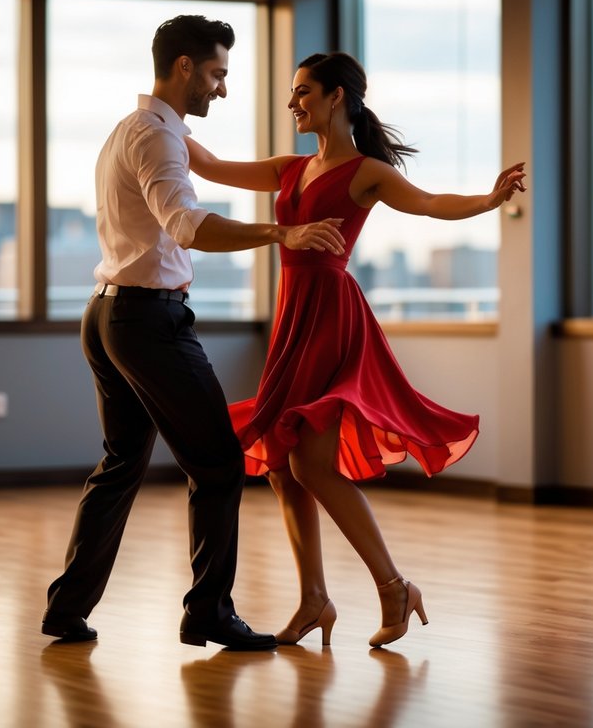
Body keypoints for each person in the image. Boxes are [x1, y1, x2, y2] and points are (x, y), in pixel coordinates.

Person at [185, 51, 526, 648]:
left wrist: (488, 200)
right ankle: (314, 598)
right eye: (292, 94)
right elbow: (211, 166)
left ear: (337, 96)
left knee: (311, 464)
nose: (293, 103)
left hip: (331, 316)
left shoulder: (366, 171)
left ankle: (394, 586)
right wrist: (159, 118)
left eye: (303, 92)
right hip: (294, 316)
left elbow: (428, 202)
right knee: (284, 468)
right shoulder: (289, 169)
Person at [41, 17, 346, 651]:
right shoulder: (155, 138)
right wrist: (277, 233)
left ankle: (67, 609)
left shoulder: (137, 129)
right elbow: (185, 224)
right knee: (218, 463)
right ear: (184, 68)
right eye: (217, 74)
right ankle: (207, 611)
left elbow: (191, 195)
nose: (222, 89)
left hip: (107, 313)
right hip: (147, 321)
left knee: (122, 462)